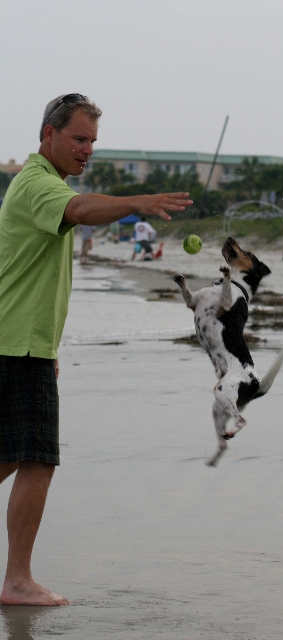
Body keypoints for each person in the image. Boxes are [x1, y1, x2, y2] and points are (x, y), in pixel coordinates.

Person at [0, 93, 192, 606]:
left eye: (93, 142)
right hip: (14, 346)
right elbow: (81, 210)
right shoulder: (38, 183)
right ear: (48, 135)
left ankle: (17, 579)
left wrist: (49, 347)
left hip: (23, 344)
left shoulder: (43, 183)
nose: (88, 150)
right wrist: (137, 202)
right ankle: (17, 581)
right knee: (36, 458)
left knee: (16, 456)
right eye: (79, 139)